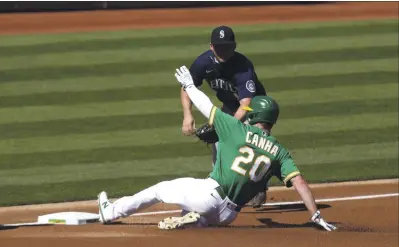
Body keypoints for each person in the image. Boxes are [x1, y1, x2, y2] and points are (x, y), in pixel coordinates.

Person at [96, 66, 337, 232]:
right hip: (228, 215)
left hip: (209, 195)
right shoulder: (280, 152)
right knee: (201, 217)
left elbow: (205, 104)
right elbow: (300, 183)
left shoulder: (236, 128)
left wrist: (189, 86)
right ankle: (194, 221)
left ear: (256, 116)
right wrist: (315, 215)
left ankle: (111, 212)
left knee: (160, 190)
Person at [181, 25, 268, 207]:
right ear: (211, 46)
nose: (223, 50)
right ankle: (220, 188)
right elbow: (187, 87)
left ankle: (258, 186)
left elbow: (246, 104)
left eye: (226, 46)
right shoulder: (203, 63)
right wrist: (187, 115)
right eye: (219, 46)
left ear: (234, 46)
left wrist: (228, 127)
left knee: (250, 146)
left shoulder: (243, 66)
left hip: (255, 109)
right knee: (219, 146)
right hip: (230, 105)